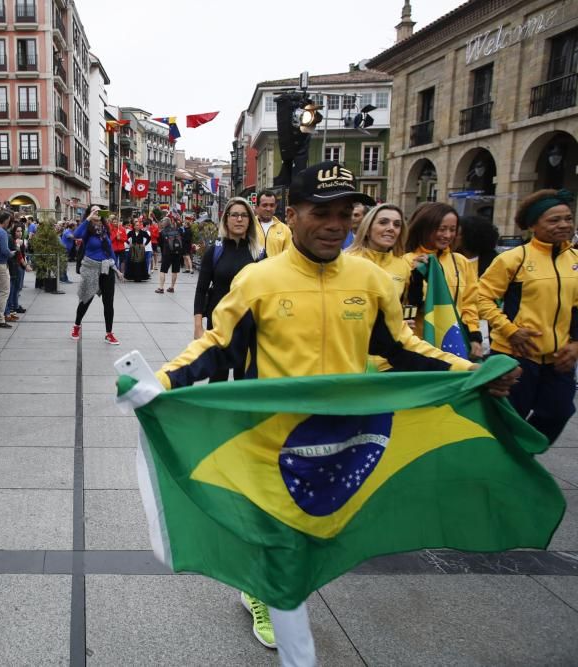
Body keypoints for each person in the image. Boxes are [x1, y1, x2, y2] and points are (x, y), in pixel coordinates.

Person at [153, 161, 518, 657]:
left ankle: (273, 586)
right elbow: (217, 346)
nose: (334, 224)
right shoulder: (258, 280)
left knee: (314, 528)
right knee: (278, 527)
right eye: (321, 211)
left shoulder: (369, 280)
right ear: (293, 213)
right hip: (271, 436)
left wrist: (471, 373)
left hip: (343, 436)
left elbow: (405, 346)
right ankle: (267, 595)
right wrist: (158, 383)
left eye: (345, 213)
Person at [478, 189, 577, 444]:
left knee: (560, 411)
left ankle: (523, 457)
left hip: (558, 359)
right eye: (554, 220)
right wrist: (510, 330)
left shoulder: (575, 260)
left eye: (568, 218)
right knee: (511, 418)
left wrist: (575, 343)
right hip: (516, 356)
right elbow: (481, 298)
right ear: (533, 225)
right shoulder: (514, 259)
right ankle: (504, 466)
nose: (564, 225)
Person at [192, 197, 262, 382]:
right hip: (219, 325)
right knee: (217, 378)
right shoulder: (215, 251)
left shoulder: (259, 253)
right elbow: (201, 290)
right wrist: (198, 326)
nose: (239, 219)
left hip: (249, 327)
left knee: (245, 381)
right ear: (226, 219)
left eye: (244, 215)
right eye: (234, 215)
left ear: (250, 220)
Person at [403, 203, 484, 359]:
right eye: (441, 229)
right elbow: (407, 304)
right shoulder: (406, 261)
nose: (447, 235)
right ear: (424, 228)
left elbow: (469, 304)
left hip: (453, 342)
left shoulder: (461, 262)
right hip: (418, 344)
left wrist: (474, 337)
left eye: (452, 230)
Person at [71, 206, 120, 345]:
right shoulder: (87, 229)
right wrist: (88, 218)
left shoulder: (105, 229)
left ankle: (109, 333)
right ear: (89, 213)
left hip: (106, 268)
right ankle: (76, 325)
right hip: (91, 268)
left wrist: (116, 268)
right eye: (94, 210)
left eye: (99, 211)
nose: (97, 213)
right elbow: (76, 235)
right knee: (86, 299)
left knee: (109, 302)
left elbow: (110, 249)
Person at [345, 203, 412, 293]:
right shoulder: (346, 260)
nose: (391, 228)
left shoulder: (404, 266)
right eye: (383, 222)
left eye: (397, 224)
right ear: (367, 228)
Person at [456, 215, 500, 282]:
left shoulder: (494, 263)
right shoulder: (450, 258)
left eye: (457, 234)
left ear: (469, 236)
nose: (450, 236)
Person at [254, 189, 291, 258]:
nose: (268, 209)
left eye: (272, 205)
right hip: (252, 268)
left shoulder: (285, 230)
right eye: (264, 205)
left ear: (275, 207)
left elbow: (288, 257)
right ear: (257, 207)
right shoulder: (249, 226)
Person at [156, 217, 183, 293]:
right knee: (174, 271)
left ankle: (161, 288)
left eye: (162, 222)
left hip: (167, 253)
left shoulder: (162, 232)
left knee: (163, 271)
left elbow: (160, 244)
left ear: (165, 223)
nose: (161, 223)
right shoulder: (176, 230)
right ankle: (172, 287)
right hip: (176, 253)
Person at [6, 225, 26, 320]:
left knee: (17, 287)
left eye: (21, 231)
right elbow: (17, 253)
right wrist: (25, 264)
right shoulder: (14, 240)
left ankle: (15, 306)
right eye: (17, 231)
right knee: (14, 287)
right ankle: (12, 307)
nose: (20, 233)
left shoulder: (21, 240)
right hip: (15, 266)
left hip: (18, 265)